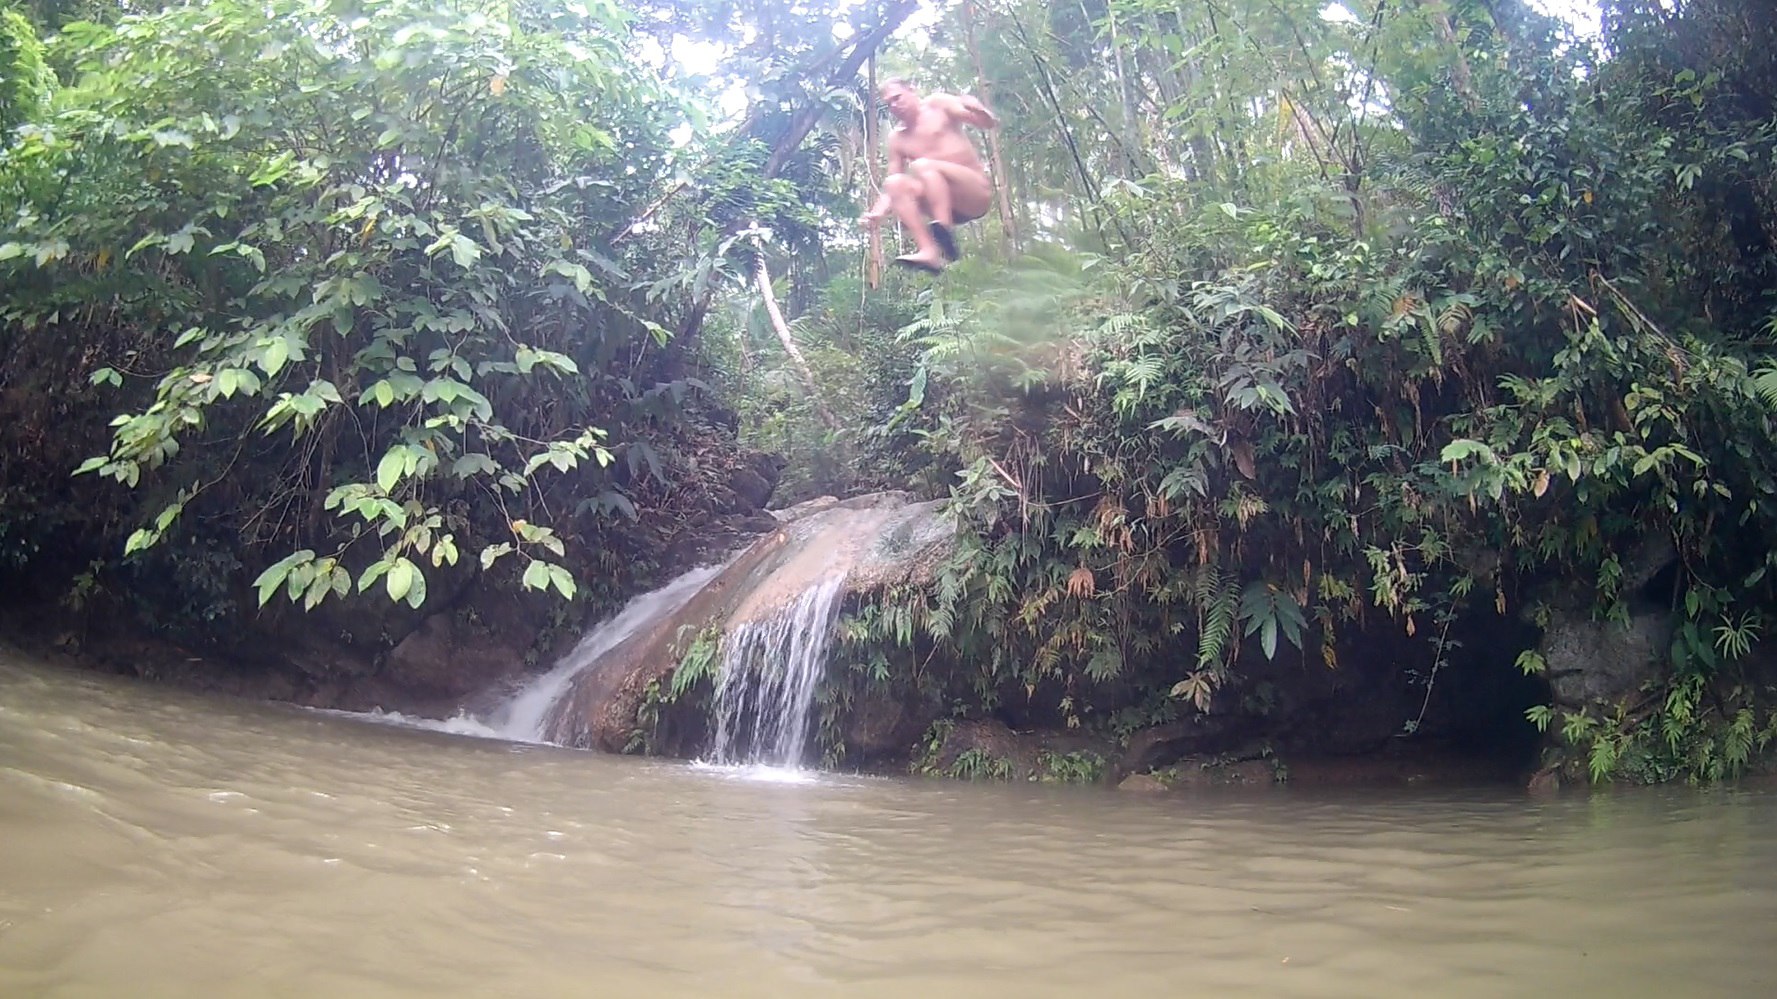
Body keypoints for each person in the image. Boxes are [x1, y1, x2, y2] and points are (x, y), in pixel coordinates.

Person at [861, 78, 1000, 274]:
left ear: (911, 90)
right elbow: (891, 184)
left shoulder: (938, 105)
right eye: (889, 103)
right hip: (942, 200)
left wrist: (978, 109)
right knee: (895, 183)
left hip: (973, 192)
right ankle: (929, 251)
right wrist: (877, 213)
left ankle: (943, 230)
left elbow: (988, 123)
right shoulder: (897, 138)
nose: (894, 105)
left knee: (922, 166)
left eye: (897, 98)